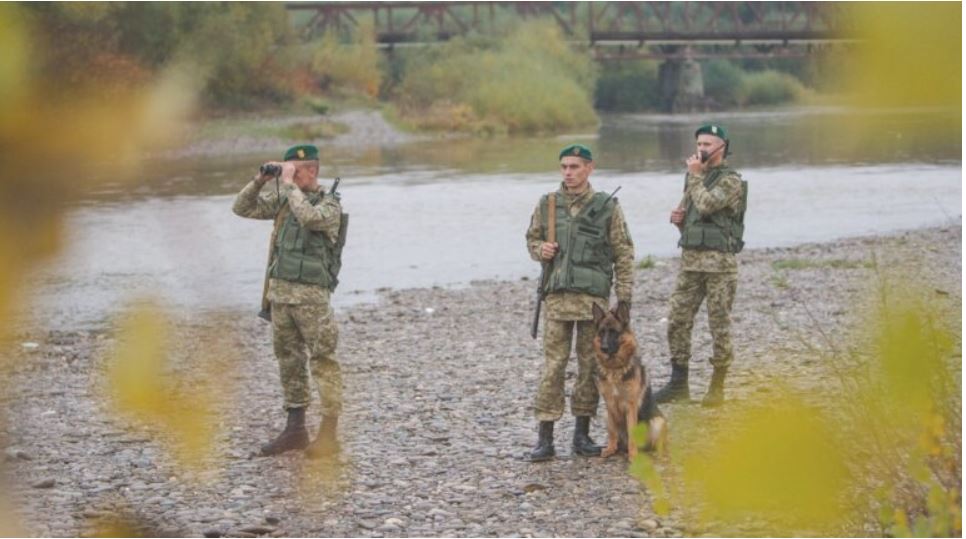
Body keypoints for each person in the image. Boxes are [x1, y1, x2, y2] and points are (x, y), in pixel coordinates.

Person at [232, 144, 346, 458]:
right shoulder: (284, 200)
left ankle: (328, 434)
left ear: (312, 171)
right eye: (288, 170)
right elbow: (241, 208)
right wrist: (260, 180)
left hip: (312, 298)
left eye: (295, 170)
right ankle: (295, 429)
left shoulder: (329, 205)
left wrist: (290, 185)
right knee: (289, 360)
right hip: (280, 295)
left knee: (323, 360)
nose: (290, 176)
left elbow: (309, 218)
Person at [524, 144, 635, 461]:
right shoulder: (548, 204)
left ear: (589, 168)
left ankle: (582, 434)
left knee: (590, 366)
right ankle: (545, 437)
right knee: (553, 367)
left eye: (574, 167)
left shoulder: (607, 207)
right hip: (558, 299)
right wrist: (540, 250)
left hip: (593, 304)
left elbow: (623, 252)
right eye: (564, 167)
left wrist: (624, 298)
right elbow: (532, 238)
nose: (568, 173)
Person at [656, 124, 747, 407]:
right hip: (691, 263)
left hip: (720, 265)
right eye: (699, 144)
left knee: (719, 324)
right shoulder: (692, 178)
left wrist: (695, 178)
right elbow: (694, 223)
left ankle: (717, 385)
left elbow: (708, 205)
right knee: (677, 319)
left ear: (722, 147)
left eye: (708, 144)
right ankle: (678, 383)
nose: (702, 149)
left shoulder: (731, 181)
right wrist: (680, 222)